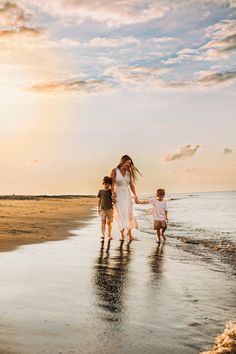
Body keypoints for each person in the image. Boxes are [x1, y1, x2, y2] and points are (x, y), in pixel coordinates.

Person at [110, 155, 141, 241]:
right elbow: (112, 183)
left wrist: (135, 196)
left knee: (129, 214)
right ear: (122, 161)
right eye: (127, 163)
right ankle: (122, 234)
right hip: (118, 195)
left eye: (129, 163)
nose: (128, 165)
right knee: (121, 214)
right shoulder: (114, 171)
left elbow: (131, 185)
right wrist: (112, 194)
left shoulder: (129, 172)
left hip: (127, 195)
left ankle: (129, 233)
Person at [97, 176, 113, 240]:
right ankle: (103, 235)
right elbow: (99, 200)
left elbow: (113, 198)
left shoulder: (111, 191)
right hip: (103, 209)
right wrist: (98, 208)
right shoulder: (101, 191)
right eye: (106, 183)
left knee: (109, 223)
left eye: (109, 184)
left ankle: (109, 234)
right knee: (103, 221)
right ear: (103, 183)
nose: (107, 185)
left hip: (110, 209)